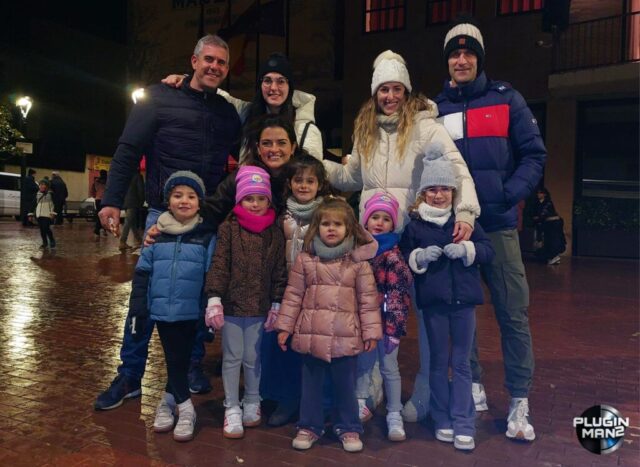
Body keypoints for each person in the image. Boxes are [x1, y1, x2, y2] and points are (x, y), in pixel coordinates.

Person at [324, 49, 480, 423]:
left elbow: (457, 170)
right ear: (375, 93)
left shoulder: (427, 128)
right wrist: (317, 164)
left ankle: (425, 392)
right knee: (370, 313)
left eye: (397, 89)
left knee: (425, 317)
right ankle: (371, 386)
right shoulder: (366, 131)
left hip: (415, 236)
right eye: (384, 89)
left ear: (406, 91)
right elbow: (352, 178)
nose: (390, 96)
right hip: (374, 240)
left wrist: (466, 211)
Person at [94, 34, 241, 411]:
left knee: (199, 294)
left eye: (221, 62)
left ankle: (190, 365)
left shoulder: (226, 113)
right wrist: (111, 200)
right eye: (208, 59)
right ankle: (130, 374)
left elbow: (249, 150)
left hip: (205, 219)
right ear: (194, 61)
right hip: (162, 213)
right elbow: (128, 149)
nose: (214, 67)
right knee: (144, 299)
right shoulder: (159, 98)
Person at [434, 18, 547, 441]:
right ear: (447, 61)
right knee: (462, 312)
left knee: (512, 312)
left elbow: (534, 155)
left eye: (469, 54)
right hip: (455, 229)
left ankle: (519, 398)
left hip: (497, 226)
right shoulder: (435, 109)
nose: (461, 60)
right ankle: (473, 383)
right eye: (454, 54)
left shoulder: (506, 100)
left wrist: (506, 195)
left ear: (479, 59)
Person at [400, 145, 494, 451]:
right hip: (434, 305)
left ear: (453, 192)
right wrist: (419, 256)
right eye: (432, 189)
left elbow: (487, 250)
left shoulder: (464, 223)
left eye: (444, 189)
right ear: (423, 194)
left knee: (461, 363)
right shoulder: (415, 227)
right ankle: (441, 418)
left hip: (464, 303)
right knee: (438, 362)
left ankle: (464, 421)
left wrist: (467, 249)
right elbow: (403, 255)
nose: (438, 195)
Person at [275, 197, 382, 453]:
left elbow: (368, 300)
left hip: (345, 336)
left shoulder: (358, 262)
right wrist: (285, 327)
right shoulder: (306, 259)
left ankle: (348, 426)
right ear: (317, 227)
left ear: (349, 228)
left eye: (338, 224)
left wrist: (371, 332)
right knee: (311, 387)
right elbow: (293, 295)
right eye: (325, 224)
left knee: (345, 386)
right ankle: (309, 425)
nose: (331, 229)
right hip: (311, 334)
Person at [127, 171, 216, 442]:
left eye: (191, 196)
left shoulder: (206, 236)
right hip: (163, 311)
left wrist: (207, 311)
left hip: (191, 311)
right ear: (168, 201)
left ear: (199, 203)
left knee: (181, 359)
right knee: (173, 359)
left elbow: (210, 275)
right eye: (178, 195)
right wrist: (139, 308)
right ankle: (186, 409)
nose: (184, 201)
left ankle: (167, 402)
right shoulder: (156, 235)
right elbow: (142, 272)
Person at [204, 166, 287, 439]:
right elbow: (219, 264)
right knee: (232, 357)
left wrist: (277, 302)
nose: (255, 204)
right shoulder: (229, 228)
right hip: (231, 305)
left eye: (261, 198)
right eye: (249, 198)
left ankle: (252, 399)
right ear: (240, 200)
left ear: (268, 201)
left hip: (260, 307)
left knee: (253, 357)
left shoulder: (275, 232)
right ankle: (231, 406)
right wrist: (214, 297)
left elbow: (279, 270)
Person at [261, 154, 331, 427]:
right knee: (285, 346)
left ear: (319, 184)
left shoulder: (327, 213)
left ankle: (319, 402)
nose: (304, 186)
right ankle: (287, 398)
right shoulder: (283, 215)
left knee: (314, 348)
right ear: (289, 183)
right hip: (287, 291)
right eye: (298, 180)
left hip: (316, 292)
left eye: (310, 181)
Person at [163, 52, 323, 161]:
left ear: (290, 87)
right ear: (260, 86)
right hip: (251, 198)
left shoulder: (305, 129)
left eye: (281, 81)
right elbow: (221, 96)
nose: (273, 88)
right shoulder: (248, 113)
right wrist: (188, 80)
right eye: (267, 81)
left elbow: (313, 176)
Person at [355, 191, 412, 442]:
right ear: (366, 220)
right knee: (363, 364)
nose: (379, 222)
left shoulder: (393, 256)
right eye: (375, 217)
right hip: (363, 323)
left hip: (386, 324)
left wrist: (394, 330)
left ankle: (394, 412)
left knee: (389, 368)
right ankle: (360, 401)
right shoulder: (357, 250)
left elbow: (398, 296)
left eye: (386, 219)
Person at [532, 187, 565, 265]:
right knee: (545, 240)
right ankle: (550, 256)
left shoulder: (548, 203)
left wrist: (539, 217)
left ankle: (554, 256)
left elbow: (545, 214)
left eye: (540, 193)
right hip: (544, 224)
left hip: (551, 224)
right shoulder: (537, 203)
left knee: (552, 239)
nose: (538, 194)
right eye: (538, 193)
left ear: (544, 194)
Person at [119, 170, 145, 251]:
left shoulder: (125, 176)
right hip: (133, 202)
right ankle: (122, 241)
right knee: (128, 222)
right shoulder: (138, 176)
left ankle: (139, 239)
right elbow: (141, 190)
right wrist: (141, 202)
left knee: (132, 222)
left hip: (125, 202)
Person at [29, 178, 57, 249]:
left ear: (47, 186)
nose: (41, 186)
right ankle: (45, 243)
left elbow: (56, 204)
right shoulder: (37, 194)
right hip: (39, 214)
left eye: (43, 184)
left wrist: (53, 213)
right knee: (42, 229)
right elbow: (33, 205)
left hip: (47, 214)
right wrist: (30, 214)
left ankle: (52, 240)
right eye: (40, 184)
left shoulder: (51, 194)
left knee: (46, 228)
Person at [91, 170, 108, 238]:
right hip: (105, 200)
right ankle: (98, 230)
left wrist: (95, 196)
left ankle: (101, 230)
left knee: (100, 215)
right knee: (104, 215)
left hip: (98, 200)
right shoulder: (108, 181)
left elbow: (93, 190)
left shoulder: (96, 181)